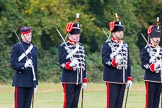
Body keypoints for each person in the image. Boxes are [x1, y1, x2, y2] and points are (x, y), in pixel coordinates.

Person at [101, 14, 132, 108]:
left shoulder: (125, 45)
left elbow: (128, 62)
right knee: (111, 104)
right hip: (112, 78)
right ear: (113, 33)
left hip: (122, 78)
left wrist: (129, 77)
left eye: (122, 31)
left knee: (119, 104)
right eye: (118, 31)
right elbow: (105, 60)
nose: (121, 33)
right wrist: (113, 62)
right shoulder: (107, 44)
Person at [58, 14, 88, 108]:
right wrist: (69, 65)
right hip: (68, 79)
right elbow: (61, 63)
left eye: (78, 34)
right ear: (69, 35)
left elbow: (83, 64)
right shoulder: (63, 46)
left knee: (75, 102)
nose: (77, 36)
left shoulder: (81, 47)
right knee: (68, 102)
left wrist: (84, 79)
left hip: (78, 79)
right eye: (75, 34)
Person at [10, 26, 38, 108]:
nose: (29, 36)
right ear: (22, 36)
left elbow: (35, 67)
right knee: (19, 105)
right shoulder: (17, 47)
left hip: (31, 81)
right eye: (27, 35)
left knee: (28, 106)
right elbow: (13, 64)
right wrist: (24, 65)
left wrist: (36, 82)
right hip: (21, 82)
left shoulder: (34, 48)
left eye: (30, 34)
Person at [140, 22, 162, 108]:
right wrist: (152, 66)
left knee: (156, 102)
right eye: (155, 37)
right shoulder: (146, 49)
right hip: (150, 78)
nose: (157, 39)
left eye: (158, 37)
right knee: (150, 101)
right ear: (151, 37)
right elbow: (144, 64)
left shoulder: (160, 50)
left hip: (160, 79)